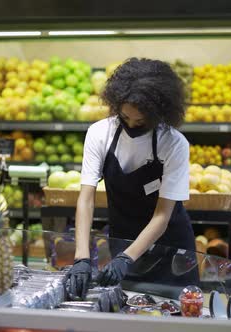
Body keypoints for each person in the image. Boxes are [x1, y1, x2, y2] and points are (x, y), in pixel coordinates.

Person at [66, 58, 196, 300]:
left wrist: (127, 257)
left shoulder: (173, 143)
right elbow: (86, 200)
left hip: (170, 250)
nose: (131, 126)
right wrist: (82, 257)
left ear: (159, 114)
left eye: (141, 122)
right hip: (122, 238)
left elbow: (162, 215)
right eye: (125, 118)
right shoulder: (99, 134)